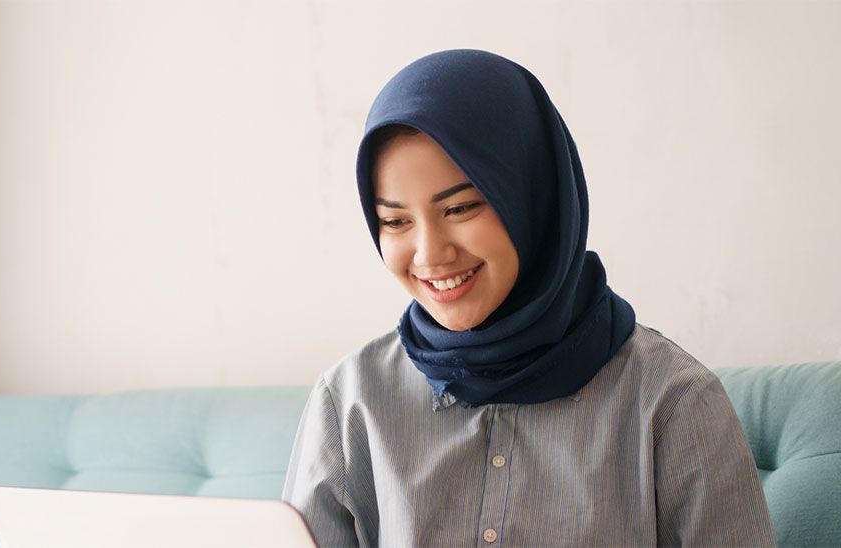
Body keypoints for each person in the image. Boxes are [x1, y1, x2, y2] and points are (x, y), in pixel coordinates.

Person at [280, 49, 775, 547]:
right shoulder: (350, 402)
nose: (430, 254)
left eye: (460, 207)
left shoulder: (671, 403)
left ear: (532, 195)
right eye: (395, 221)